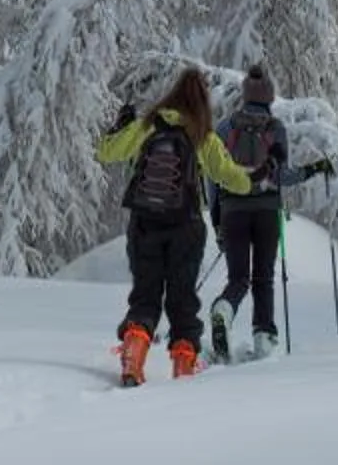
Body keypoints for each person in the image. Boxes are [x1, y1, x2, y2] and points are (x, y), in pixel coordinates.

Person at [94, 66, 254, 384]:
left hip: (144, 224)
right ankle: (183, 366)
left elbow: (105, 152)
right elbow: (232, 178)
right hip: (187, 226)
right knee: (182, 299)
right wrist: (253, 180)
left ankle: (133, 355)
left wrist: (119, 127)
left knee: (145, 294)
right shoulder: (201, 134)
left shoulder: (148, 125)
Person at [207, 64, 332, 358]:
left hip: (232, 210)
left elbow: (213, 178)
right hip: (266, 211)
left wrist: (217, 221)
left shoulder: (225, 128)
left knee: (238, 278)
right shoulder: (276, 129)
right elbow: (280, 176)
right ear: (269, 97)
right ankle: (264, 337)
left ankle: (224, 308)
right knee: (264, 276)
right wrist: (313, 170)